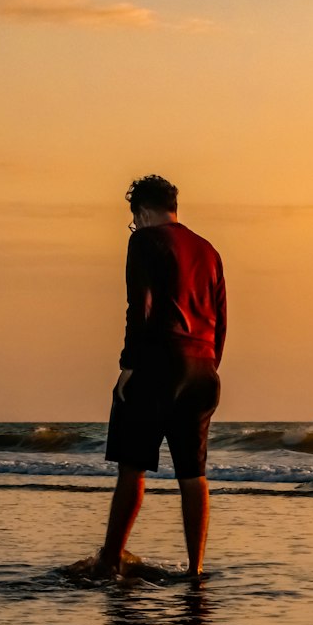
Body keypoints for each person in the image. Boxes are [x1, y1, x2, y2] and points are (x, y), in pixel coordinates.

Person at [90, 174, 226, 578]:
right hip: (203, 368)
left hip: (157, 364)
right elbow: (221, 318)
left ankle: (110, 560)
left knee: (132, 465)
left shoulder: (145, 241)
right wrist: (209, 364)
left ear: (143, 212)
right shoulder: (209, 249)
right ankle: (195, 569)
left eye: (134, 220)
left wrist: (127, 366)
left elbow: (140, 306)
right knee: (193, 472)